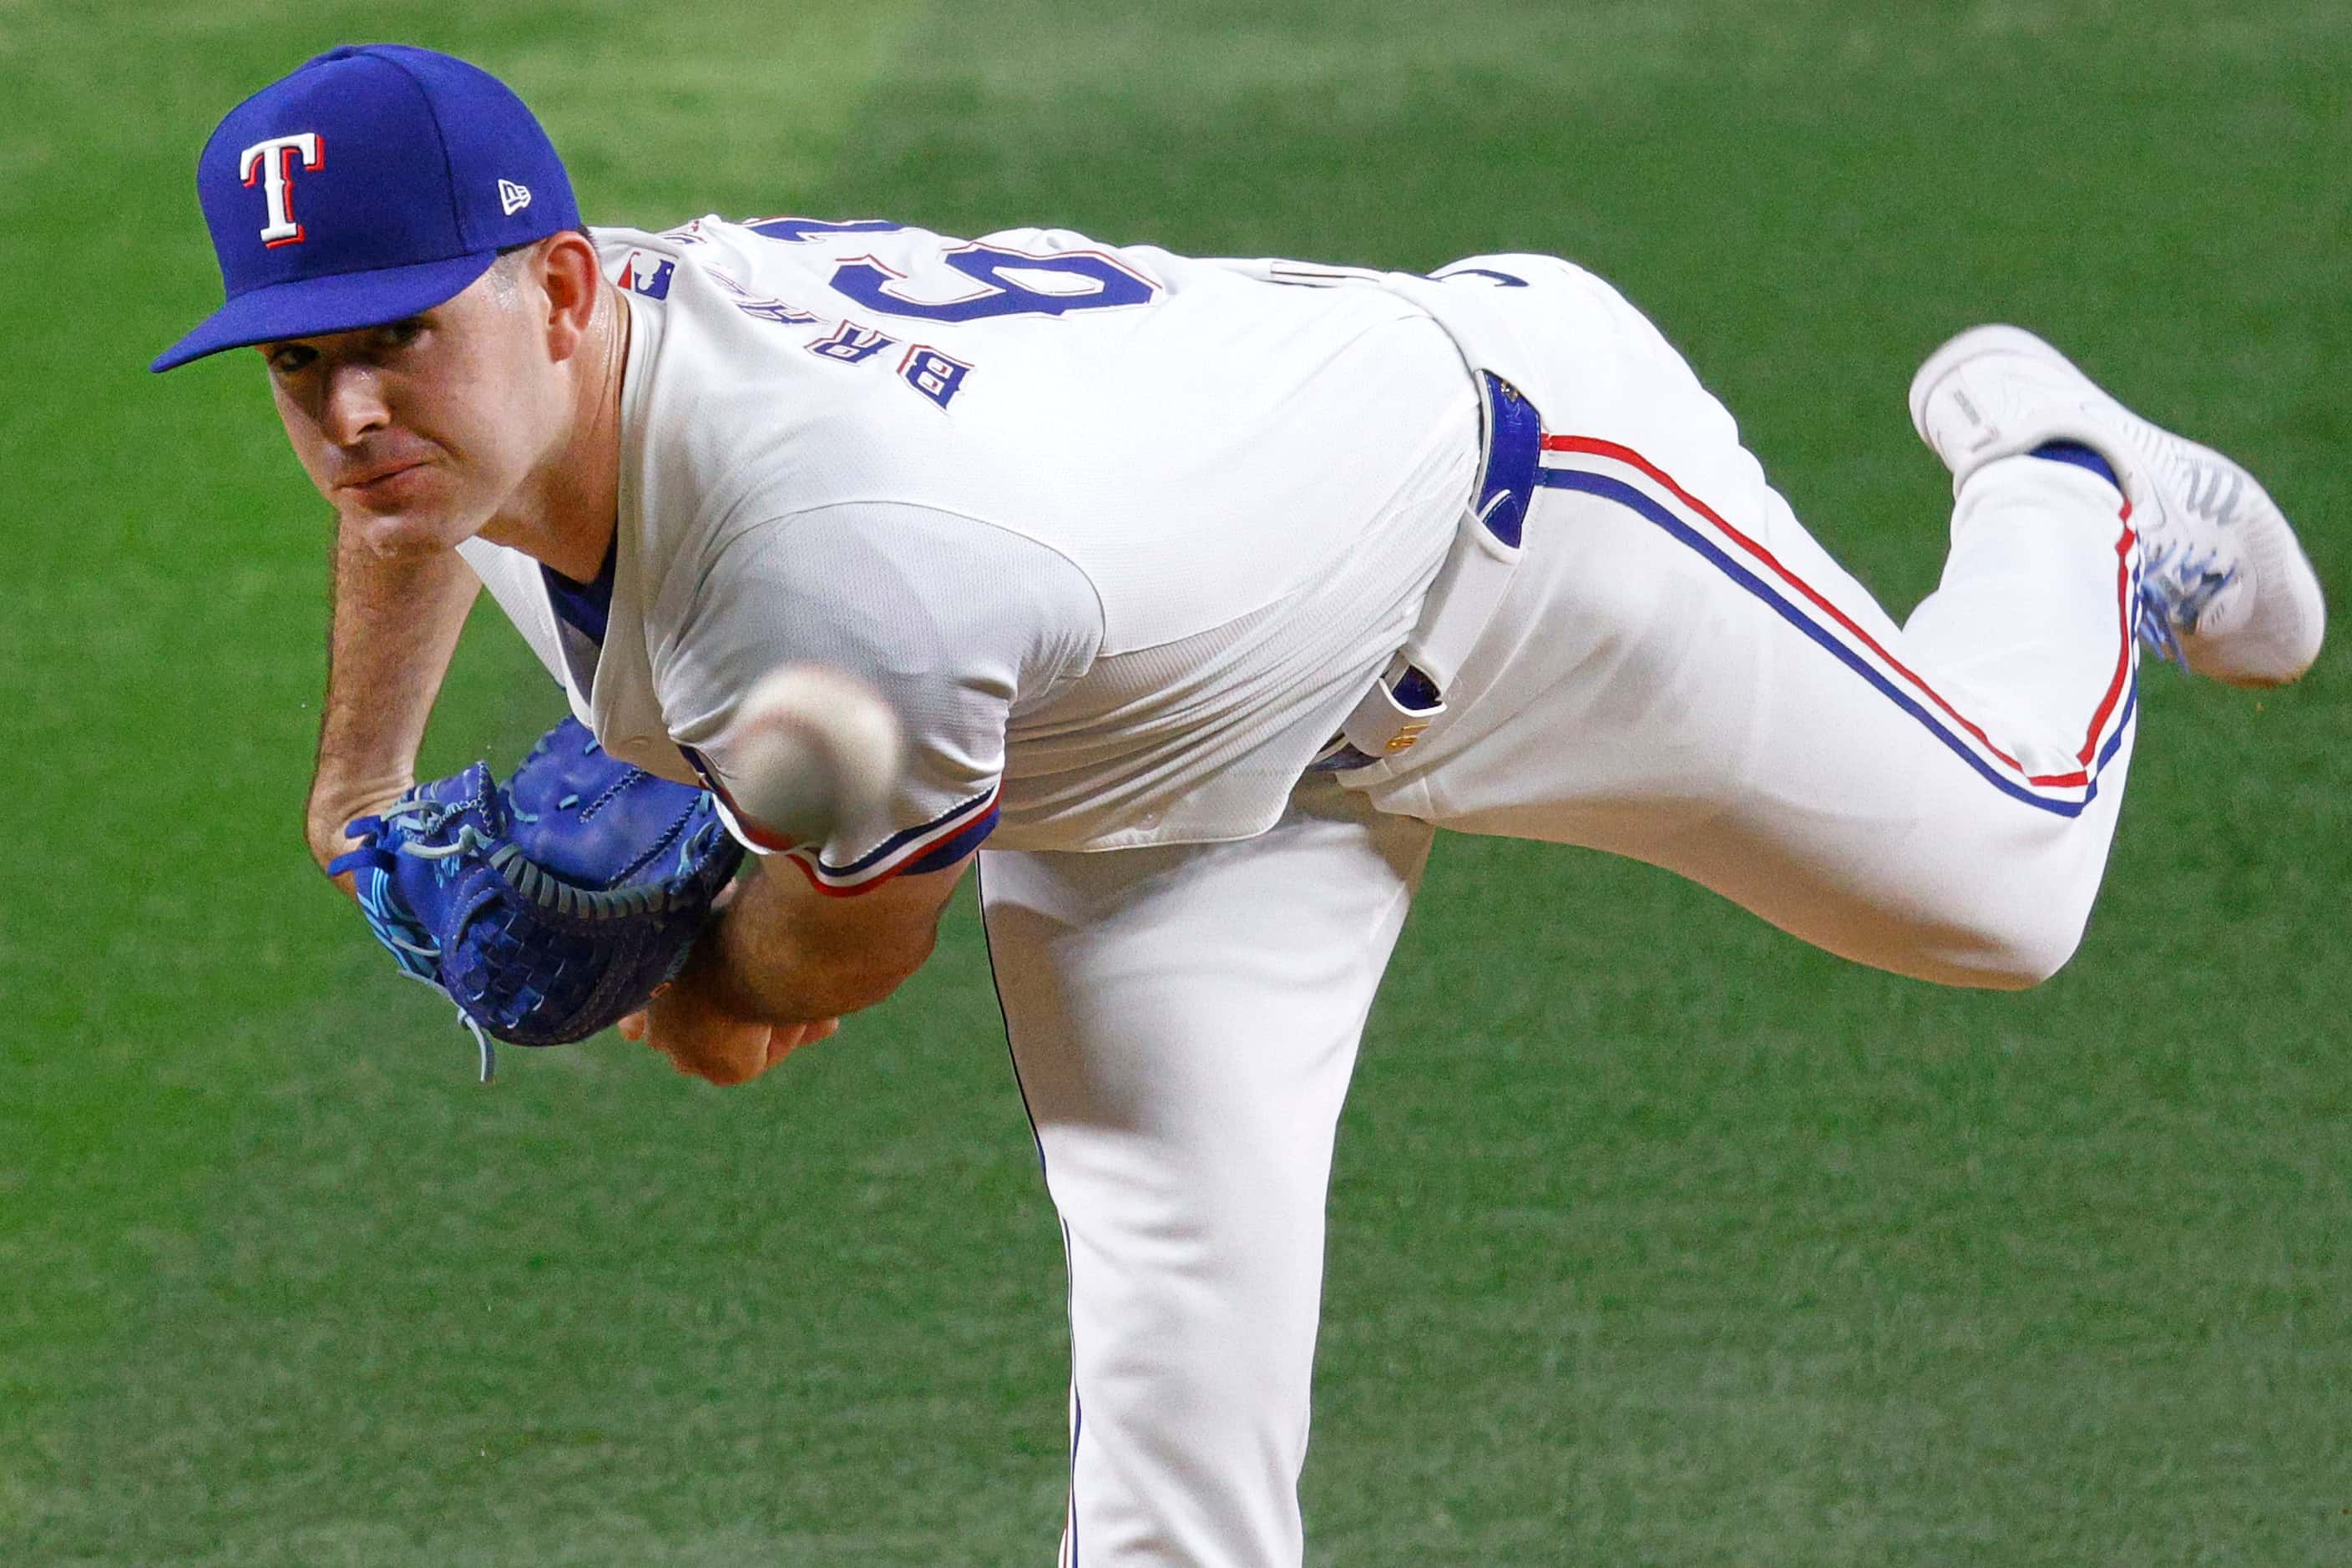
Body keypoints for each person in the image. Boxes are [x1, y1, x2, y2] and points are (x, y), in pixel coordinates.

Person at [156, 43, 2324, 1568]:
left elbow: (838, 953)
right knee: (1173, 1444)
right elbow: (411, 491)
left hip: (1521, 536)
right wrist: (359, 799)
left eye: (395, 344)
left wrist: (691, 999)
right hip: (1151, 771)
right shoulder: (520, 346)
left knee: (2007, 878)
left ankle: (2068, 486)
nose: (352, 416)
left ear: (552, 291)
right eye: (298, 362)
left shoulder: (835, 573)